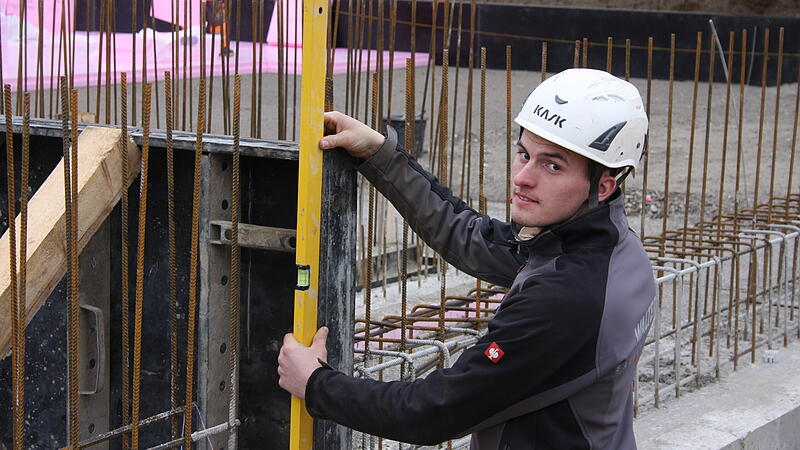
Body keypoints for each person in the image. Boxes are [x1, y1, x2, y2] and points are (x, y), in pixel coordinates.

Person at [278, 68, 656, 449]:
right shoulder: (615, 250)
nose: (522, 178)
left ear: (603, 185)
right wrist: (380, 154)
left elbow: (433, 411)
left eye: (552, 165)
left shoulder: (567, 297)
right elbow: (468, 235)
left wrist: (314, 383)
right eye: (524, 154)